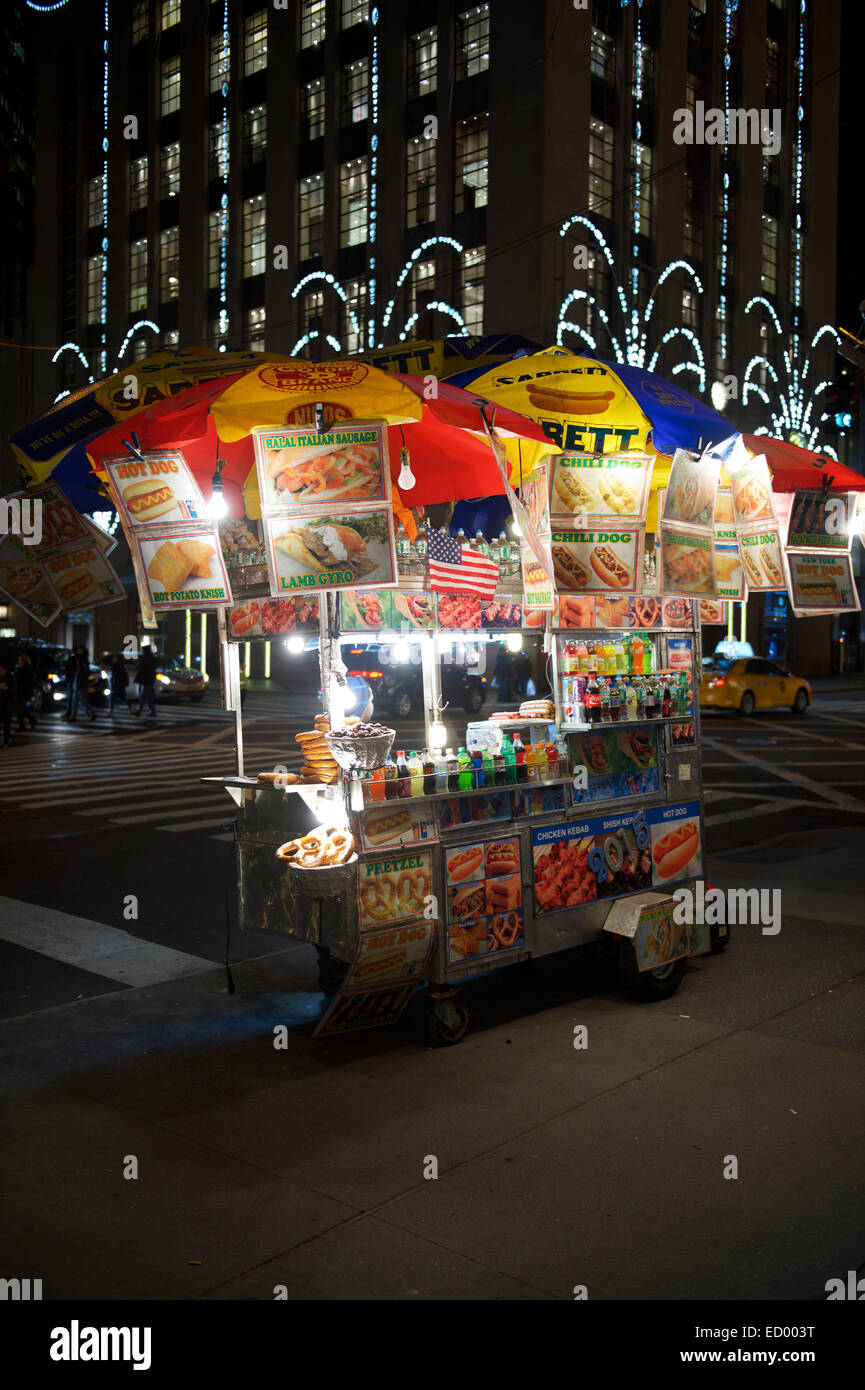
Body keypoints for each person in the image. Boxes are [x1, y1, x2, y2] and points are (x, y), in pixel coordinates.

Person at [68, 645, 95, 723]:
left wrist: (80, 665)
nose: (79, 651)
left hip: (81, 684)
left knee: (84, 701)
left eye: (80, 650)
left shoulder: (84, 660)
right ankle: (73, 716)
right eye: (78, 650)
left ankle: (93, 713)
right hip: (76, 683)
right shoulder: (75, 659)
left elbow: (85, 672)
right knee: (74, 701)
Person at [13, 653, 38, 731]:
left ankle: (25, 725)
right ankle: (31, 721)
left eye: (20, 660)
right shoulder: (24, 669)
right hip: (23, 692)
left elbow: (23, 682)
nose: (19, 662)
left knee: (21, 710)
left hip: (23, 692)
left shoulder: (26, 670)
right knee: (22, 709)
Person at [134, 645, 158, 716]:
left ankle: (139, 711)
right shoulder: (151, 658)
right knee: (149, 697)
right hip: (149, 680)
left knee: (143, 697)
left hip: (145, 681)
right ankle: (151, 711)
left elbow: (141, 670)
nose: (142, 652)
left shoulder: (145, 659)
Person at [0, 664, 14, 747]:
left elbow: (14, 690)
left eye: (1, 670)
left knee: (6, 723)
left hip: (7, 704)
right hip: (1, 704)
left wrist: (7, 689)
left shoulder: (10, 679)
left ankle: (6, 741)